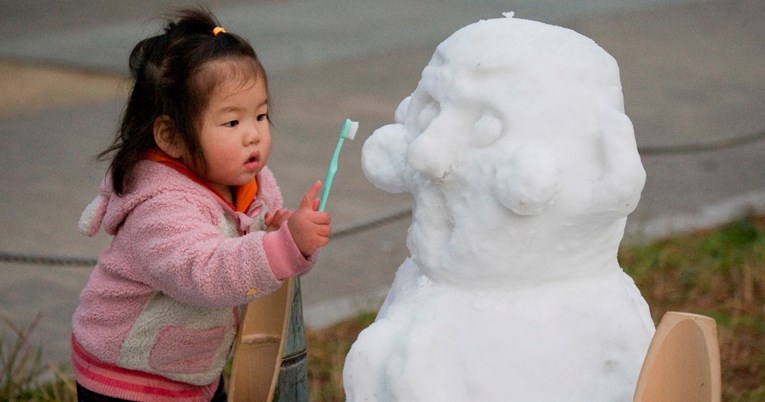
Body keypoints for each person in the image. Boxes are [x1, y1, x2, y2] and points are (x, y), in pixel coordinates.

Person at [71, 7, 330, 401]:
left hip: (192, 370)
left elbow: (262, 265)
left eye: (260, 115)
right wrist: (281, 247)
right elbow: (204, 272)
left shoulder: (254, 182)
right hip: (127, 376)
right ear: (171, 137)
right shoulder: (160, 205)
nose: (254, 136)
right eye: (232, 123)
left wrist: (288, 238)